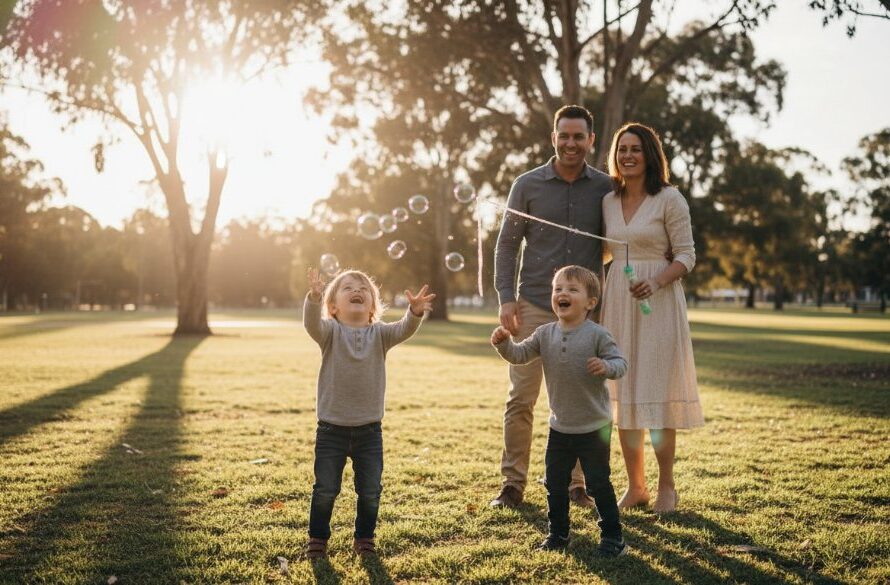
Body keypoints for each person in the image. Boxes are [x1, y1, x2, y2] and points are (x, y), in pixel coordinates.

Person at [491, 104, 613, 509]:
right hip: (533, 306)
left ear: (591, 140)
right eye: (565, 135)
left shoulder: (605, 188)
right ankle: (513, 484)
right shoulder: (527, 184)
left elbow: (618, 239)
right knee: (520, 399)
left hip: (584, 315)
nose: (571, 143)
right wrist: (506, 297)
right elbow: (507, 243)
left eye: (579, 136)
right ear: (554, 138)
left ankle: (578, 484)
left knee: (580, 398)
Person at [600, 122, 704, 514]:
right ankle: (635, 486)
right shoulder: (608, 201)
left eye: (636, 149)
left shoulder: (669, 199)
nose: (627, 155)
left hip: (657, 304)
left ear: (650, 155)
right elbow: (608, 252)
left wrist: (656, 281)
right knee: (624, 392)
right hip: (619, 302)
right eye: (622, 149)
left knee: (656, 393)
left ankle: (667, 487)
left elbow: (687, 256)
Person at [491, 265, 628, 556]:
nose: (562, 294)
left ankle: (613, 536)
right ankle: (558, 533)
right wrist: (504, 345)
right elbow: (519, 355)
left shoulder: (597, 335)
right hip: (560, 427)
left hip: (594, 428)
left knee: (598, 484)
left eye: (572, 289)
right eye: (558, 289)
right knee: (554, 483)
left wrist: (606, 367)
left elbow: (621, 364)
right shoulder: (544, 334)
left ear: (590, 302)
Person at [302, 268, 435, 559]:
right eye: (347, 287)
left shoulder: (380, 335)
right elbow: (312, 324)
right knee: (325, 489)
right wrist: (313, 298)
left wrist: (414, 312)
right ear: (333, 306)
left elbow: (403, 329)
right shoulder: (330, 333)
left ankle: (364, 538)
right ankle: (318, 539)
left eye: (363, 288)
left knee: (371, 491)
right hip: (331, 430)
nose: (356, 290)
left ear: (372, 305)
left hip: (369, 432)